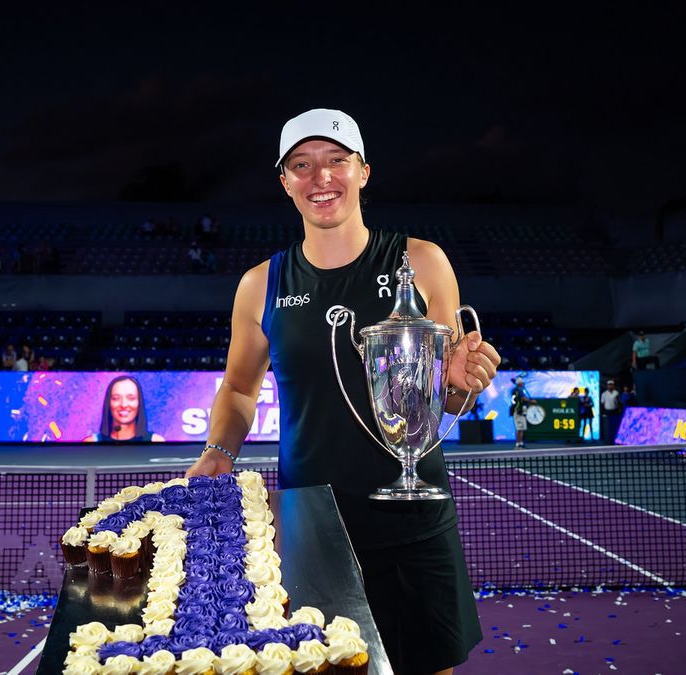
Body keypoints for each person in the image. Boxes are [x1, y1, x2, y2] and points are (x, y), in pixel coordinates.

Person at [184, 109, 500, 674]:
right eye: (302, 166)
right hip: (312, 526)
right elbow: (237, 388)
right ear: (285, 182)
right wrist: (219, 449)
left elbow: (448, 397)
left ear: (363, 172)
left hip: (414, 519)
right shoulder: (261, 284)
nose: (320, 178)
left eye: (336, 161)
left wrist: (459, 382)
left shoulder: (422, 262)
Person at [83, 375, 165, 442]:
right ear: (109, 403)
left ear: (139, 403)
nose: (124, 404)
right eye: (116, 398)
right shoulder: (92, 442)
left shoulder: (155, 441)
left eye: (131, 398)